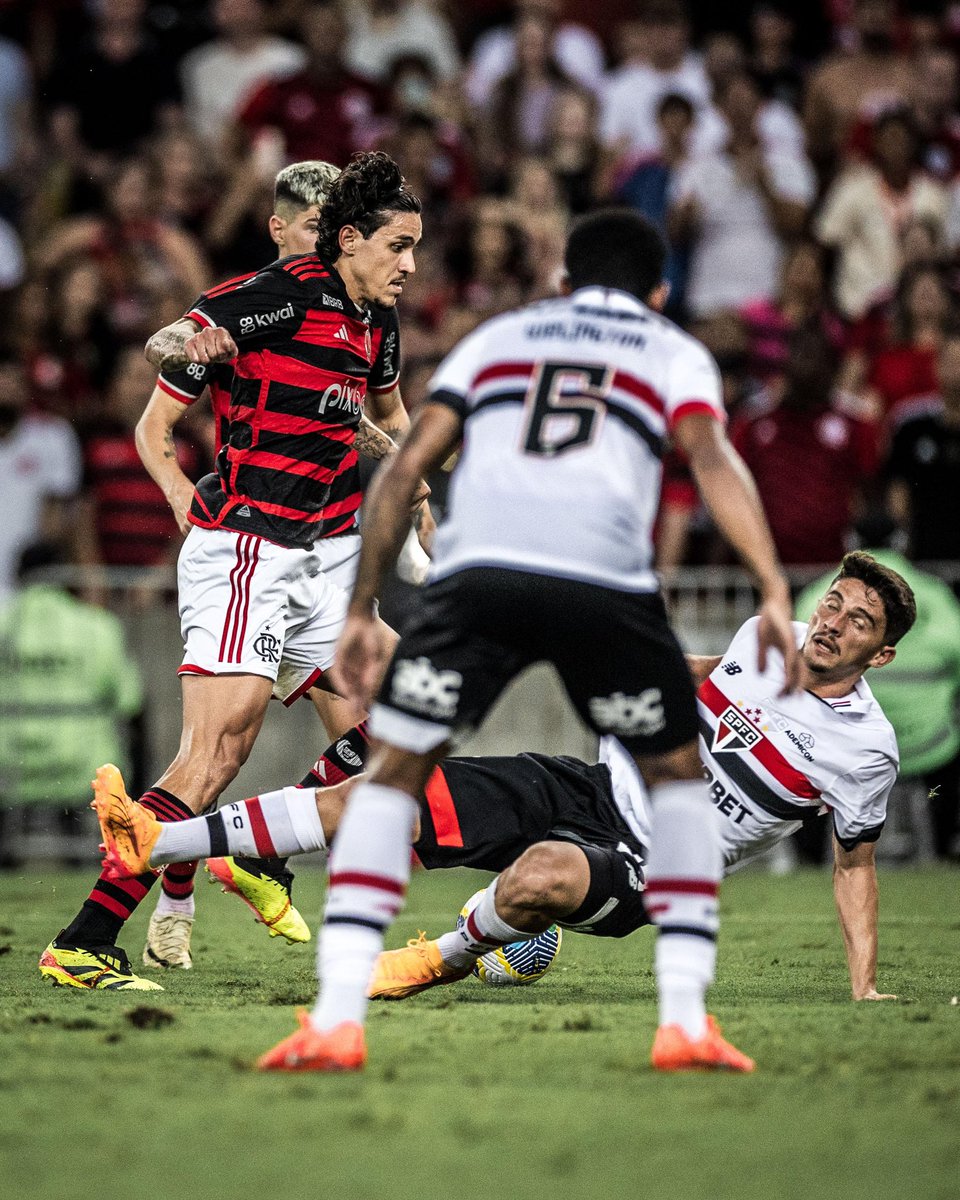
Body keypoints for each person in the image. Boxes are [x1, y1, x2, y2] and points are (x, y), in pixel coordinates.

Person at [247, 207, 799, 1075]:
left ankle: (334, 1021)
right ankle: (684, 1023)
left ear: (564, 283)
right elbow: (711, 456)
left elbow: (402, 469)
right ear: (659, 291)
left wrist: (360, 608)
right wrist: (768, 580)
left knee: (389, 781)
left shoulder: (499, 338)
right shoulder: (671, 348)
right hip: (602, 581)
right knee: (680, 789)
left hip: (483, 576)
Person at [93, 551, 915, 1005]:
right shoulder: (769, 637)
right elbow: (709, 669)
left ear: (880, 654)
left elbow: (855, 864)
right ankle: (159, 839)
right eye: (835, 603)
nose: (834, 624)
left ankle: (442, 958)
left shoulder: (865, 750)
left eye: (858, 622)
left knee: (544, 876)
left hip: (656, 866)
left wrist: (866, 989)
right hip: (586, 788)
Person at [37, 152, 423, 993]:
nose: (411, 265)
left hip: (322, 559)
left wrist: (409, 473)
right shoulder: (279, 297)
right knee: (214, 756)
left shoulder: (375, 321)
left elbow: (357, 413)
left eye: (416, 247)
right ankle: (83, 940)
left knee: (412, 712)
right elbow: (176, 350)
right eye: (398, 247)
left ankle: (263, 857)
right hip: (249, 545)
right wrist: (180, 342)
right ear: (348, 241)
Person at [797, 528, 960, 860]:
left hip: (840, 748)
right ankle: (946, 848)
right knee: (943, 775)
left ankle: (808, 858)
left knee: (801, 757)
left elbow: (795, 660)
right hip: (925, 744)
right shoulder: (935, 593)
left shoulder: (820, 591)